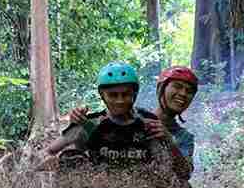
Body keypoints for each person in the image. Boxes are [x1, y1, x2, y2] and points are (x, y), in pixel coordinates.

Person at [65, 65, 199, 180]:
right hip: (108, 183)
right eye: (177, 86)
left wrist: (169, 142)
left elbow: (184, 174)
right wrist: (77, 122)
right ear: (161, 89)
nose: (183, 93)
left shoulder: (184, 137)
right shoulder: (131, 114)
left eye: (189, 91)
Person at [44, 61, 166, 169]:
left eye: (126, 94)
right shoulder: (90, 123)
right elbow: (50, 151)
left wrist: (168, 138)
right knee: (70, 158)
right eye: (113, 95)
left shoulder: (148, 123)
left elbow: (172, 168)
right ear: (103, 96)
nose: (120, 100)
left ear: (134, 94)